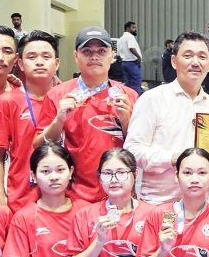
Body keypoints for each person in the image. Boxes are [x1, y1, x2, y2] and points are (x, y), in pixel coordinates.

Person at [35, 26, 138, 204]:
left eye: (101, 51)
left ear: (112, 56)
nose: (94, 56)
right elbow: (38, 146)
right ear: (76, 56)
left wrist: (125, 119)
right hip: (73, 197)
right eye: (87, 51)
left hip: (119, 195)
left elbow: (138, 148)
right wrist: (59, 120)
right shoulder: (57, 95)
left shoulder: (129, 96)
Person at [125, 31, 209, 204]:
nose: (195, 62)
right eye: (188, 55)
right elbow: (132, 150)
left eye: (202, 56)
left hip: (203, 205)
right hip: (160, 205)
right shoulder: (152, 99)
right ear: (173, 61)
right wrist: (172, 159)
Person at [0, 30, 59, 211]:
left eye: (46, 56)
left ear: (56, 63)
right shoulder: (6, 102)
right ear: (20, 64)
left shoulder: (67, 99)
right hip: (20, 199)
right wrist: (0, 201)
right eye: (32, 57)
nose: (39, 62)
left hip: (63, 199)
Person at [117, 21, 143, 93]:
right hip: (132, 63)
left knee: (128, 84)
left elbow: (118, 54)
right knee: (136, 83)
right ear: (128, 28)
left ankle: (129, 100)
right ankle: (136, 101)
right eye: (133, 27)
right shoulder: (130, 37)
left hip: (124, 63)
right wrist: (139, 57)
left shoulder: (120, 39)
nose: (135, 29)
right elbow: (131, 48)